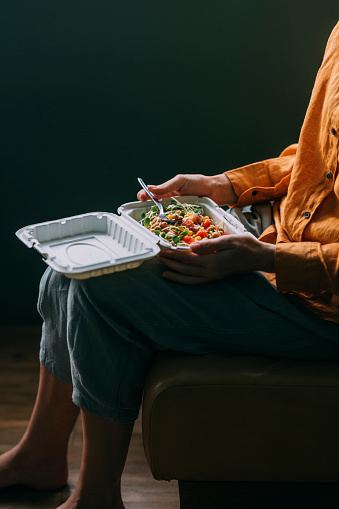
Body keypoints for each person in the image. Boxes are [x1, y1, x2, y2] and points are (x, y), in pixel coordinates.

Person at [1, 21, 339, 509]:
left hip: (320, 305)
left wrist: (266, 257)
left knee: (101, 290)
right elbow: (315, 158)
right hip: (275, 241)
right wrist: (226, 184)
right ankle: (39, 457)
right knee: (63, 275)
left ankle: (97, 497)